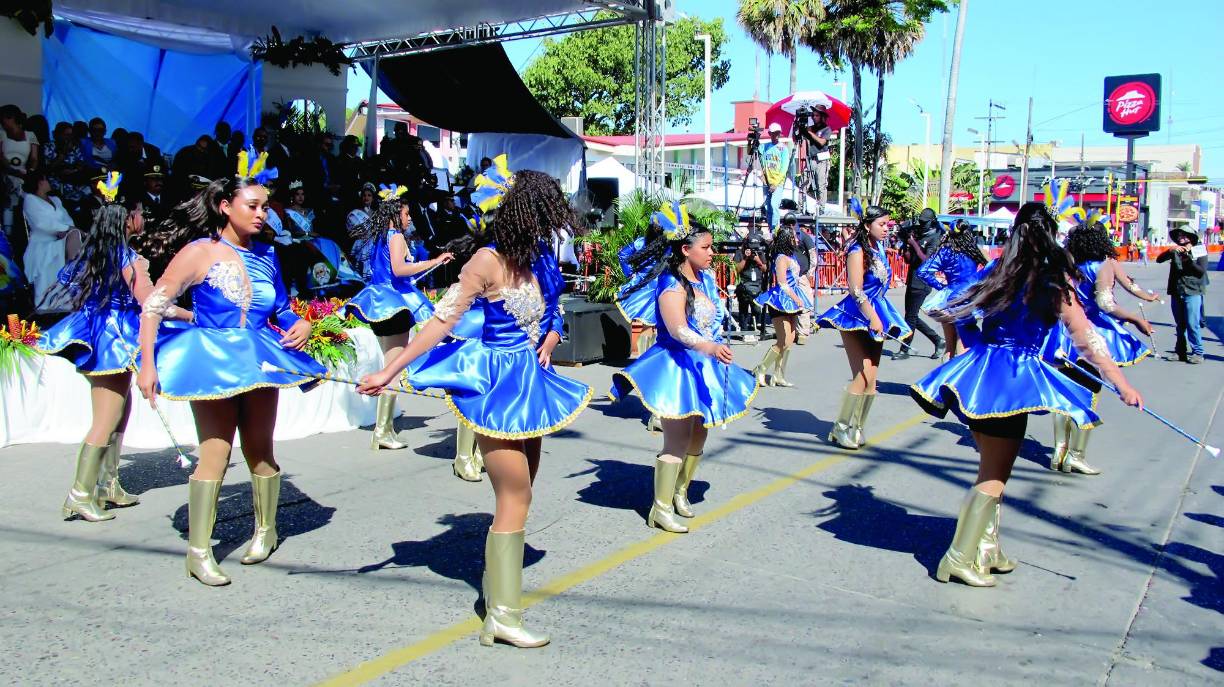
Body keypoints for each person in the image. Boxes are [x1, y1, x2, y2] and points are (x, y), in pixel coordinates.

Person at [358, 167, 590, 649]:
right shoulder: (484, 261)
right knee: (516, 494)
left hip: (532, 381)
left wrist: (549, 336)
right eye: (545, 216)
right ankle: (502, 616)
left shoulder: (541, 257)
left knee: (525, 489)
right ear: (523, 214)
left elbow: (553, 310)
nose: (551, 228)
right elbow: (441, 322)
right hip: (495, 384)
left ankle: (496, 590)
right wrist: (389, 369)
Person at [910, 202, 1144, 587]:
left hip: (978, 379)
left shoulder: (997, 273)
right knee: (993, 477)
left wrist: (979, 344)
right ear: (1050, 237)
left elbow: (952, 312)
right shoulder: (1050, 281)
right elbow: (1087, 339)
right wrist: (1122, 384)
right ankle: (957, 558)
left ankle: (987, 548)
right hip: (1012, 383)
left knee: (991, 469)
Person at [135, 157, 323, 587]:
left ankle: (266, 530)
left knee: (260, 450)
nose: (261, 214)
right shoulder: (198, 253)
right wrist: (148, 364)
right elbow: (154, 307)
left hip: (258, 360)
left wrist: (302, 323)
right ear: (225, 206)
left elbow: (280, 309)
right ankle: (199, 551)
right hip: (212, 362)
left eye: (264, 206)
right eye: (253, 205)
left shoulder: (268, 256)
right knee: (215, 455)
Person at [39, 174, 193, 521]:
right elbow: (152, 303)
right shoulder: (128, 258)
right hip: (113, 338)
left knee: (120, 412)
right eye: (139, 212)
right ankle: (80, 494)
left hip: (104, 332)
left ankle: (109, 484)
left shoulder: (101, 251)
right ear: (128, 219)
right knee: (106, 419)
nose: (143, 217)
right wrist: (190, 315)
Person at [611, 201, 757, 533]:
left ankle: (680, 492)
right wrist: (709, 346)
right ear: (685, 249)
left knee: (699, 436)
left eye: (711, 247)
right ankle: (659, 508)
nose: (712, 253)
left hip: (704, 365)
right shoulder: (671, 283)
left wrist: (717, 342)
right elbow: (677, 328)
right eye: (705, 247)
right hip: (676, 366)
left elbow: (712, 320)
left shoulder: (704, 279)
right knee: (676, 441)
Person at [1041, 217, 1156, 475]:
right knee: (1091, 389)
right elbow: (1106, 303)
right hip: (1087, 329)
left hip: (1061, 331)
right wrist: (1135, 317)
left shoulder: (1068, 262)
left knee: (1065, 390)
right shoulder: (1104, 264)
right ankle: (1075, 455)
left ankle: (1059, 451)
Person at [346, 185, 453, 451]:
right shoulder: (395, 236)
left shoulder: (382, 236)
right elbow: (400, 269)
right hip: (394, 305)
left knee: (389, 364)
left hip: (382, 302)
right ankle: (382, 431)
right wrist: (433, 261)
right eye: (406, 214)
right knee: (393, 369)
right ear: (396, 214)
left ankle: (385, 428)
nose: (409, 219)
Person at [816, 202, 911, 449]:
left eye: (888, 225)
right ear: (868, 226)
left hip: (879, 310)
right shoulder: (856, 250)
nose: (887, 229)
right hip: (857, 314)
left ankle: (857, 427)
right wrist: (872, 316)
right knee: (862, 374)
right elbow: (856, 289)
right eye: (882, 224)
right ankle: (840, 428)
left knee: (872, 378)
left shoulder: (878, 248)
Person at [916, 220, 988, 360]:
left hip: (949, 300)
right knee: (963, 343)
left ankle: (944, 379)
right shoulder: (974, 250)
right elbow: (991, 267)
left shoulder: (945, 252)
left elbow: (923, 271)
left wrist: (941, 287)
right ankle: (959, 381)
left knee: (949, 348)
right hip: (969, 298)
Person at [752, 223, 813, 387]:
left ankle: (778, 375)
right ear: (787, 239)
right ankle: (761, 368)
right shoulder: (780, 258)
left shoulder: (791, 256)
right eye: (794, 236)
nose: (797, 239)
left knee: (790, 339)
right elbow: (782, 283)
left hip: (792, 300)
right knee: (784, 340)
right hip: (780, 300)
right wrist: (797, 297)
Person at [22, 171, 81, 314]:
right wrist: (64, 229)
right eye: (46, 179)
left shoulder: (56, 200)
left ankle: (73, 277)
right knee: (74, 233)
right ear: (40, 182)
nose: (49, 182)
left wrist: (67, 229)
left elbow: (67, 220)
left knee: (75, 234)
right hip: (42, 242)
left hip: (62, 239)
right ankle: (72, 274)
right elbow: (41, 223)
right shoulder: (30, 199)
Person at [894, 209, 945, 360]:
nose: (921, 225)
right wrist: (906, 244)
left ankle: (905, 349)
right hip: (912, 278)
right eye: (920, 222)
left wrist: (913, 243)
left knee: (910, 316)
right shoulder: (919, 234)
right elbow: (910, 259)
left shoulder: (935, 237)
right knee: (911, 316)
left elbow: (926, 261)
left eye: (925, 222)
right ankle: (938, 340)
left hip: (922, 282)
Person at [1157, 227, 1209, 364]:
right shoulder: (1175, 249)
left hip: (1193, 291)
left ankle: (1198, 352)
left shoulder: (1199, 249)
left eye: (1184, 235)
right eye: (1179, 235)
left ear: (1191, 237)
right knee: (1180, 324)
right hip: (1176, 290)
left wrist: (1188, 259)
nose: (1181, 237)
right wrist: (1170, 250)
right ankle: (1180, 351)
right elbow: (1159, 260)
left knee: (1192, 323)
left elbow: (1201, 271)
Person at [2, 104, 40, 238]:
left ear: (11, 118)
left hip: (23, 175)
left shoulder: (30, 135)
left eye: (4, 118)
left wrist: (30, 170)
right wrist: (11, 170)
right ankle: (7, 235)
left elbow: (34, 158)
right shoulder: (1, 134)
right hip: (6, 174)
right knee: (8, 201)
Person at [733, 230, 768, 343]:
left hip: (757, 284)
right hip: (743, 284)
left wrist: (758, 260)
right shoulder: (740, 252)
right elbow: (736, 269)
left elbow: (765, 269)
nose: (753, 250)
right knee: (743, 309)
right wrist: (745, 258)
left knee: (757, 309)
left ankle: (754, 328)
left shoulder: (760, 253)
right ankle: (744, 330)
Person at [798, 108, 832, 210]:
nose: (814, 117)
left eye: (816, 115)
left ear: (822, 116)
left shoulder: (826, 129)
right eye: (813, 115)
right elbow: (797, 138)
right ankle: (800, 206)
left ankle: (821, 207)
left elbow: (822, 142)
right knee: (803, 183)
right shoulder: (810, 128)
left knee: (821, 185)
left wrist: (811, 133)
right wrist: (799, 128)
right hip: (810, 159)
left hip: (821, 160)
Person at [760, 122, 791, 231]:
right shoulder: (765, 146)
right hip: (767, 182)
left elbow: (784, 168)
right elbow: (755, 153)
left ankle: (775, 229)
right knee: (768, 207)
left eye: (778, 133)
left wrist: (776, 183)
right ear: (770, 133)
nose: (776, 135)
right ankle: (770, 229)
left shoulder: (783, 149)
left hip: (777, 183)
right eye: (774, 133)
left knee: (774, 205)